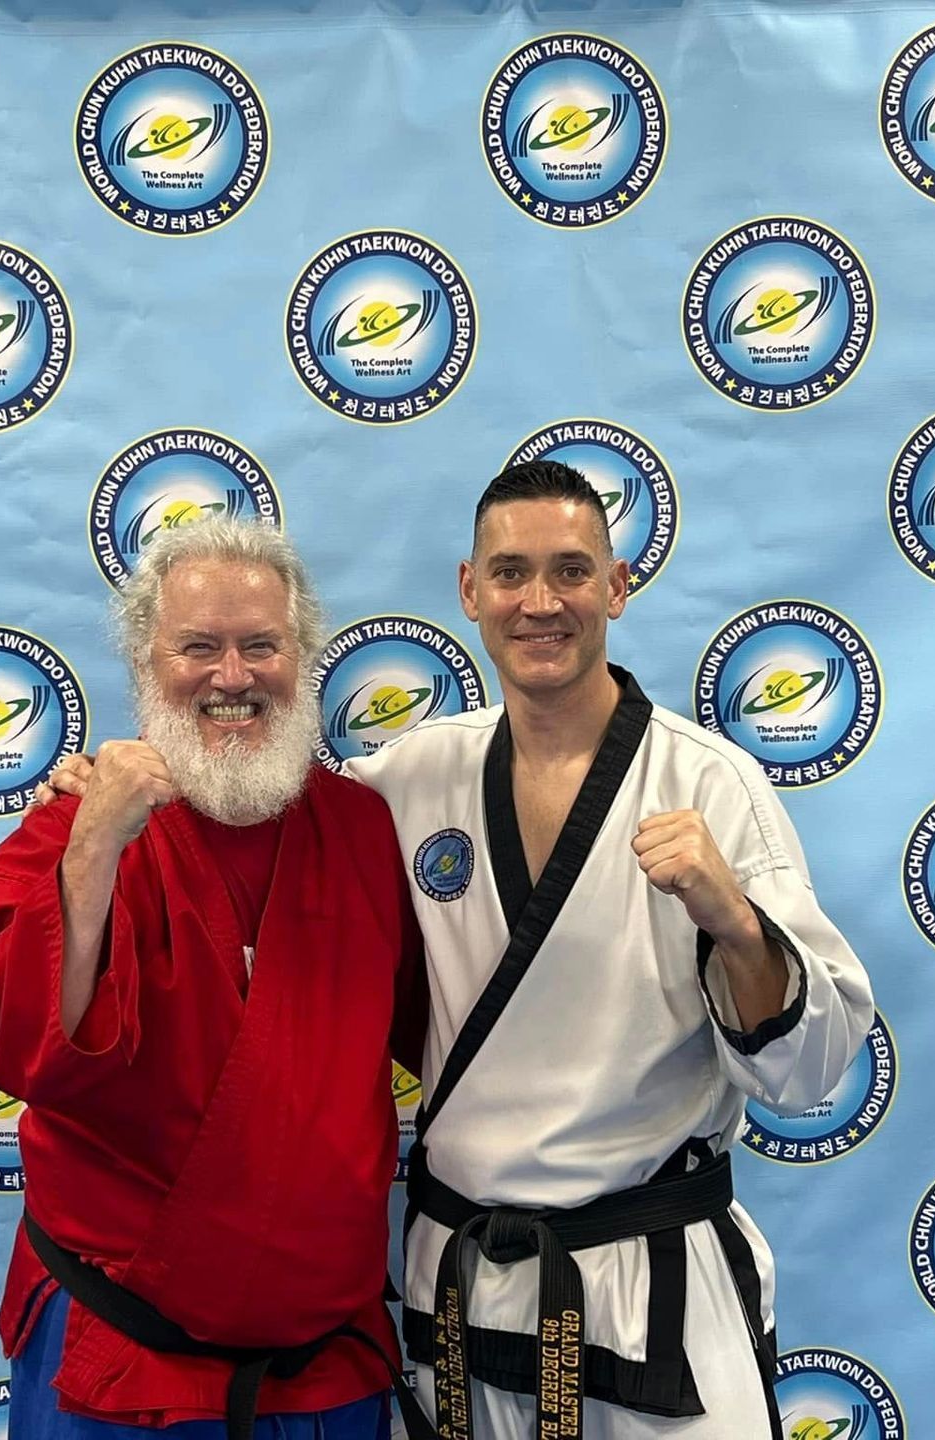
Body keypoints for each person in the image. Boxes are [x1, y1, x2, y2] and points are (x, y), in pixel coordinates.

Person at [47, 462, 875, 1440]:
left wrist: (734, 919)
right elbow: (254, 798)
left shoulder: (710, 785)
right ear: (469, 591)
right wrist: (102, 795)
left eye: (570, 572)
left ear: (616, 585)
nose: (540, 602)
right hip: (461, 1282)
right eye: (511, 572)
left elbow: (808, 1068)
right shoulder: (410, 778)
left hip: (647, 1280)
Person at [0, 518, 428, 1440]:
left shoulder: (364, 830)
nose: (233, 677)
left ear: (304, 658)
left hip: (329, 1370)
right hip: (125, 1367)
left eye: (262, 646)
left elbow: (442, 1027)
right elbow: (10, 1038)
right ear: (145, 664)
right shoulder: (75, 830)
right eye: (198, 647)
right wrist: (94, 841)